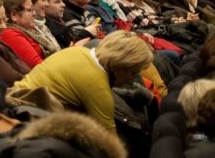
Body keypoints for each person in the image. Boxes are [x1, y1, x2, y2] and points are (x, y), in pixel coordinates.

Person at [14, 30, 153, 132]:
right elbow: (110, 145)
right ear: (119, 67)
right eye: (133, 72)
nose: (133, 78)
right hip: (32, 123)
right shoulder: (98, 88)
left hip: (15, 101)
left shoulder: (77, 51)